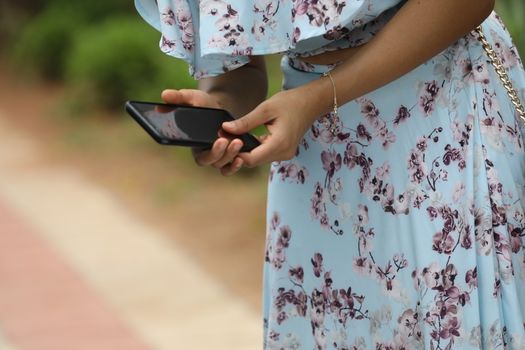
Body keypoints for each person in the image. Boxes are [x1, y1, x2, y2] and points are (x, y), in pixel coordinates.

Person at [135, 0, 525, 348]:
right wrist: (221, 106)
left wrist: (319, 98)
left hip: (439, 111)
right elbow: (238, 68)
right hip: (317, 153)